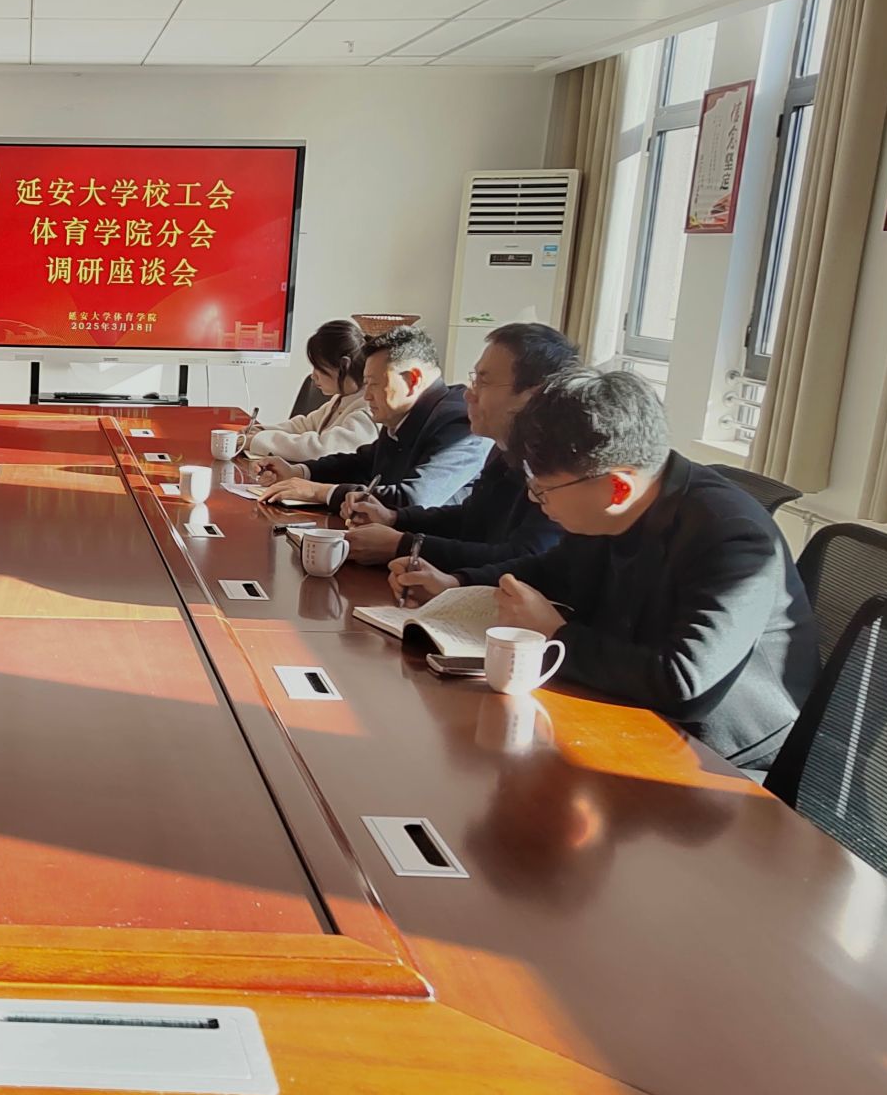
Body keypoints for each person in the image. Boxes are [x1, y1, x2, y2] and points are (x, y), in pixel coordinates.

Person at [477, 368, 818, 771]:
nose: (536, 501)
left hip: (718, 759)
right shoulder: (612, 505)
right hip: (624, 713)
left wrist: (556, 635)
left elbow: (685, 683)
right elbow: (551, 570)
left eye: (544, 490)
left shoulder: (733, 538)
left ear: (618, 487)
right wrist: (456, 582)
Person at [332, 321, 576, 591]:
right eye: (474, 379)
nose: (469, 394)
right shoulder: (505, 449)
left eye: (483, 382)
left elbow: (523, 557)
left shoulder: (562, 466)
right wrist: (394, 519)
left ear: (533, 394)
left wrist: (404, 545)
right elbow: (470, 518)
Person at [252, 326, 490, 510]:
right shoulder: (403, 413)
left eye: (373, 384)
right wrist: (300, 472)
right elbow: (364, 463)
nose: (366, 396)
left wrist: (318, 492)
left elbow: (414, 498)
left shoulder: (459, 424)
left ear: (412, 380)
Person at [244, 318, 378, 462]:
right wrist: (262, 430)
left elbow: (320, 449)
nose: (313, 376)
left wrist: (257, 441)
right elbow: (305, 425)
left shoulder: (368, 411)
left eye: (319, 368)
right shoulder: (341, 399)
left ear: (343, 366)